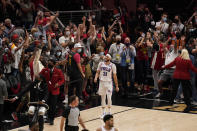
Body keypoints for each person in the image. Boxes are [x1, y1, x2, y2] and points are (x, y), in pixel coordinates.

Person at [94, 54, 119, 118]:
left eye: (107, 56)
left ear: (110, 58)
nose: (105, 57)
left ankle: (110, 112)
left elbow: (114, 76)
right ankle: (103, 112)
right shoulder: (100, 63)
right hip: (101, 82)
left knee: (109, 97)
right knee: (102, 97)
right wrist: (96, 77)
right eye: (105, 56)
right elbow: (97, 72)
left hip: (109, 83)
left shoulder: (112, 65)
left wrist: (116, 85)